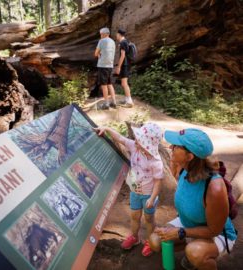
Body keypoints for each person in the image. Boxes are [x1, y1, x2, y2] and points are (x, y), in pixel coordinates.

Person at [149, 128, 237, 269]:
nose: (171, 147)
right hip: (189, 224)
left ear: (190, 157)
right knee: (155, 240)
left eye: (176, 146)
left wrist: (181, 232)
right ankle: (193, 249)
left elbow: (214, 230)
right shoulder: (184, 168)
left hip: (218, 234)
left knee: (195, 253)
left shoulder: (214, 188)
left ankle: (200, 256)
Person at [95, 123, 164, 256]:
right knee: (134, 216)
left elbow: (158, 183)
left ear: (147, 144)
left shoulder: (156, 161)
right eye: (138, 139)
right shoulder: (134, 146)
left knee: (149, 219)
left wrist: (152, 198)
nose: (136, 141)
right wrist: (108, 128)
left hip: (148, 195)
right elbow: (120, 138)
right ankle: (134, 237)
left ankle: (150, 241)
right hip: (135, 192)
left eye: (140, 140)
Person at [95, 27, 117, 110]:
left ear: (105, 34)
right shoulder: (113, 42)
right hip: (110, 66)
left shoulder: (101, 41)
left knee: (104, 85)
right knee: (110, 84)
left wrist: (99, 55)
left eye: (101, 34)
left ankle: (106, 104)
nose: (100, 36)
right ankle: (114, 102)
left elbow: (96, 53)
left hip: (102, 66)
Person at [115, 29, 134, 108]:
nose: (116, 36)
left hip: (124, 65)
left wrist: (118, 67)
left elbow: (123, 55)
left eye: (117, 34)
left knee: (124, 83)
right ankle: (127, 99)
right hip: (126, 64)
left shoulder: (123, 42)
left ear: (119, 34)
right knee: (123, 83)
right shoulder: (126, 41)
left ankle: (129, 102)